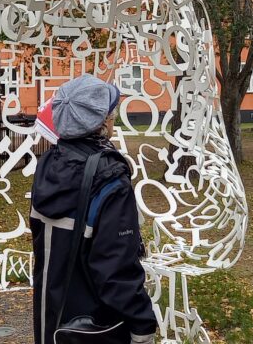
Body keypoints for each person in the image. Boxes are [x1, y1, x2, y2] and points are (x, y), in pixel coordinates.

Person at [29, 74, 157, 344]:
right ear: (103, 121)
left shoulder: (49, 165)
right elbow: (116, 267)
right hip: (97, 327)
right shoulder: (108, 179)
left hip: (52, 317)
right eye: (111, 112)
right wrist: (142, 325)